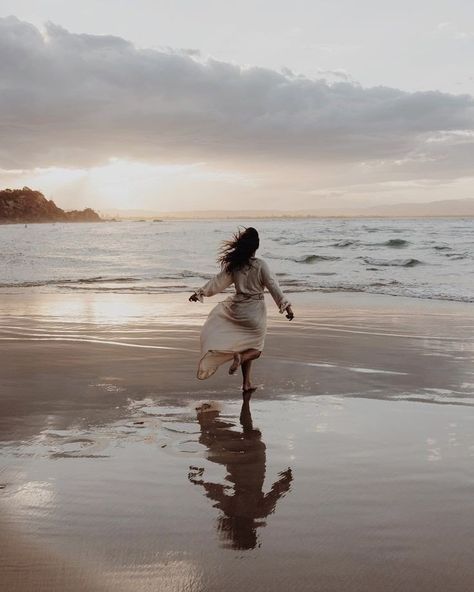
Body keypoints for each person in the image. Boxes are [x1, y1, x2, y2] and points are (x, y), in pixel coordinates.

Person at [189, 227, 294, 394]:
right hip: (255, 313)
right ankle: (241, 357)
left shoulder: (235, 265)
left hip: (237, 310)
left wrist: (200, 292)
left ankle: (246, 383)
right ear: (256, 247)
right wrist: (286, 307)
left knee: (247, 345)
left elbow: (219, 281)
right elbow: (273, 287)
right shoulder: (260, 265)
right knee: (256, 350)